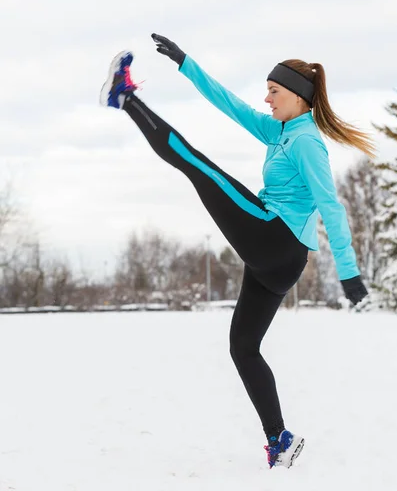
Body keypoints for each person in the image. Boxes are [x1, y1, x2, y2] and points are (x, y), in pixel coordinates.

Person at [99, 34, 374, 469]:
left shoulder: (306, 142)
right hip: (277, 261)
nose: (266, 98)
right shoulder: (281, 129)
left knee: (196, 164)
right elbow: (228, 104)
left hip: (274, 236)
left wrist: (349, 272)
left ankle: (124, 98)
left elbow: (331, 205)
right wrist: (186, 63)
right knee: (243, 346)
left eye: (274, 91)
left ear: (298, 97)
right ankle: (279, 440)